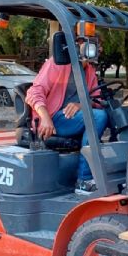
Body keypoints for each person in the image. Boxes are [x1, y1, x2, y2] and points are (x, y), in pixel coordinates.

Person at [26, 34, 108, 194]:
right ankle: (84, 179)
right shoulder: (57, 63)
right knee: (98, 117)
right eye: (96, 45)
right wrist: (45, 118)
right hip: (54, 119)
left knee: (109, 114)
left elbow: (96, 100)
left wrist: (81, 105)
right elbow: (34, 92)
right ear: (79, 44)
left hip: (73, 119)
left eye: (99, 45)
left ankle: (107, 170)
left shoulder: (89, 71)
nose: (100, 49)